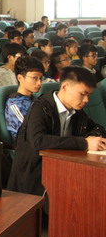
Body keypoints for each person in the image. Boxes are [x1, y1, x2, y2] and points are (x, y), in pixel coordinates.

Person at [8, 67, 106, 197]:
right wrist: (85, 143)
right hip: (34, 177)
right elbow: (38, 141)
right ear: (65, 87)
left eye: (89, 95)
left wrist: (94, 138)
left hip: (62, 170)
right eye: (83, 94)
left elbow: (97, 128)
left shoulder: (76, 110)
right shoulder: (41, 107)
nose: (86, 100)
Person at [4, 56, 44, 140]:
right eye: (34, 78)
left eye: (41, 78)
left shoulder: (35, 100)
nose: (39, 83)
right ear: (20, 78)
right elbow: (29, 131)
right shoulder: (14, 104)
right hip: (25, 144)